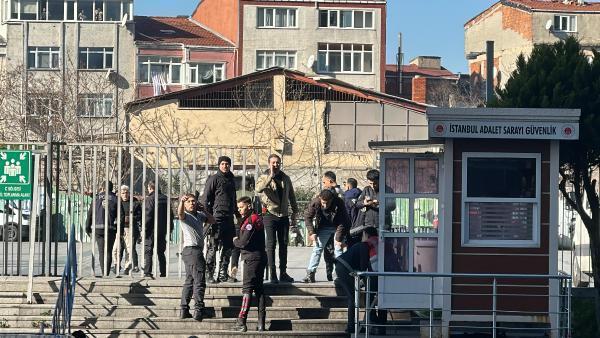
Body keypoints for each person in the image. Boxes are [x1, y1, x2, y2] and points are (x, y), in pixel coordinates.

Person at [255, 154, 298, 283]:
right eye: (273, 162)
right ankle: (272, 273)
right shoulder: (263, 177)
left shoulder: (285, 178)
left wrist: (295, 211)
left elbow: (291, 195)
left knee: (284, 244)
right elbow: (258, 189)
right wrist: (270, 177)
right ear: (269, 164)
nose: (276, 165)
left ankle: (283, 272)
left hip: (283, 215)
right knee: (271, 244)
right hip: (270, 214)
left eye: (278, 162)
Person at [334, 226, 381, 334]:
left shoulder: (364, 246)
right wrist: (368, 282)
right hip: (344, 268)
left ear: (366, 235)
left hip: (343, 267)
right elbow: (363, 267)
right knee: (352, 298)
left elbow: (364, 267)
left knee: (357, 296)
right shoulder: (364, 247)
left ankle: (360, 323)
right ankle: (351, 326)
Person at [232, 196, 267, 332]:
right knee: (259, 289)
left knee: (247, 289)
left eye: (242, 207)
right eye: (238, 207)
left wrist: (235, 240)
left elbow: (243, 243)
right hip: (259, 257)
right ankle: (261, 323)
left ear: (249, 205)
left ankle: (241, 321)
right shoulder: (255, 218)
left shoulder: (251, 220)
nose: (240, 210)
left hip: (251, 259)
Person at [178, 193, 215, 321]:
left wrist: (203, 209)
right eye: (189, 201)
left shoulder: (199, 215)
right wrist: (182, 203)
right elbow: (180, 213)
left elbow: (212, 220)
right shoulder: (185, 216)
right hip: (192, 251)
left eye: (194, 201)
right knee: (199, 281)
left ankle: (184, 309)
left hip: (193, 251)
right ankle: (199, 310)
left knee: (190, 281)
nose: (192, 203)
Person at [201, 156, 238, 283]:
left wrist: (237, 213)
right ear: (219, 165)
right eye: (222, 164)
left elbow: (234, 198)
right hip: (216, 218)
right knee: (213, 246)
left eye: (227, 164)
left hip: (229, 218)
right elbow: (205, 198)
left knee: (228, 247)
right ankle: (209, 274)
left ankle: (223, 274)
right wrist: (206, 216)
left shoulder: (232, 179)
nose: (225, 166)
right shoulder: (214, 179)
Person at [302, 189, 350, 283]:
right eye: (323, 203)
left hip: (338, 226)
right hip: (323, 227)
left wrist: (338, 238)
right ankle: (310, 273)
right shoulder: (315, 202)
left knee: (338, 249)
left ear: (332, 199)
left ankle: (338, 274)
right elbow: (307, 217)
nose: (325, 205)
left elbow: (343, 221)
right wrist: (312, 232)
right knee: (317, 248)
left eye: (327, 203)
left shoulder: (338, 202)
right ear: (320, 198)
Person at [349, 169, 395, 248]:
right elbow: (357, 204)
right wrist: (364, 203)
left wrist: (379, 203)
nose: (373, 186)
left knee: (384, 248)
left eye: (375, 183)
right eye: (371, 183)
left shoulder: (388, 190)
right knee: (366, 249)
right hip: (368, 226)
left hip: (383, 225)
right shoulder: (366, 190)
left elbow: (392, 206)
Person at [85, 181, 121, 277]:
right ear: (112, 188)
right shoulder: (116, 199)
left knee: (101, 251)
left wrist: (87, 227)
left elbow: (90, 214)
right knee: (108, 251)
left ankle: (102, 272)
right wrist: (119, 229)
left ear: (102, 188)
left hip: (98, 228)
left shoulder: (96, 198)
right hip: (110, 228)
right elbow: (121, 215)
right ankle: (107, 272)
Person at [143, 181, 172, 278]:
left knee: (148, 251)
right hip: (162, 229)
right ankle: (163, 272)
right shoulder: (165, 198)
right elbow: (170, 214)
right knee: (160, 251)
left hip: (151, 229)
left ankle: (147, 272)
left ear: (150, 188)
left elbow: (148, 215)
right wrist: (170, 228)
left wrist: (145, 229)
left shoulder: (150, 199)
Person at [321, 171, 344, 281]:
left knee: (337, 251)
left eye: (324, 182)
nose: (323, 184)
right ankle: (330, 274)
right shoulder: (325, 193)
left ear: (330, 181)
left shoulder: (338, 192)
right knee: (328, 252)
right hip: (327, 226)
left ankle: (337, 273)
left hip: (336, 227)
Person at [116, 185, 142, 275]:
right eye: (123, 193)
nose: (125, 195)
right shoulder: (118, 202)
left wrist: (131, 218)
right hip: (120, 228)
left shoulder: (134, 202)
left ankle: (132, 266)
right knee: (119, 248)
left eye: (126, 193)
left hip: (131, 228)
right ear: (120, 194)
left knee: (131, 248)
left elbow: (139, 215)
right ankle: (117, 265)